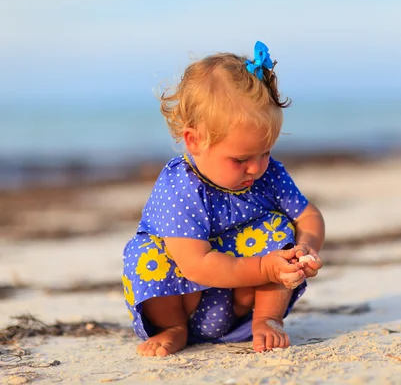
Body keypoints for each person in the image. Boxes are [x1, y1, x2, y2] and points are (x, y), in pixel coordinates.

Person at [122, 41, 326, 357]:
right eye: (241, 159)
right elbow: (196, 265)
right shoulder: (181, 187)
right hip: (186, 300)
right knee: (146, 254)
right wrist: (268, 269)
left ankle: (267, 319)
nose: (257, 167)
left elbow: (307, 216)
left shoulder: (268, 174)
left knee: (278, 227)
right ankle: (171, 328)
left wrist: (306, 248)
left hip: (241, 301)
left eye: (266, 152)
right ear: (195, 141)